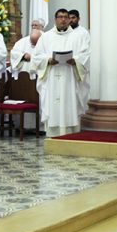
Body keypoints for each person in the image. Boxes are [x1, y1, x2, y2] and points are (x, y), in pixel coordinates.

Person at [30, 8, 91, 137]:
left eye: (65, 17)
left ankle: (71, 134)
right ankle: (53, 133)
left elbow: (85, 54)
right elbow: (36, 57)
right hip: (52, 77)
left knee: (70, 102)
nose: (63, 19)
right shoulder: (46, 37)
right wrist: (48, 60)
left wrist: (75, 61)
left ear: (69, 19)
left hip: (70, 77)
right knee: (53, 103)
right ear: (55, 19)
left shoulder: (77, 36)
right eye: (60, 17)